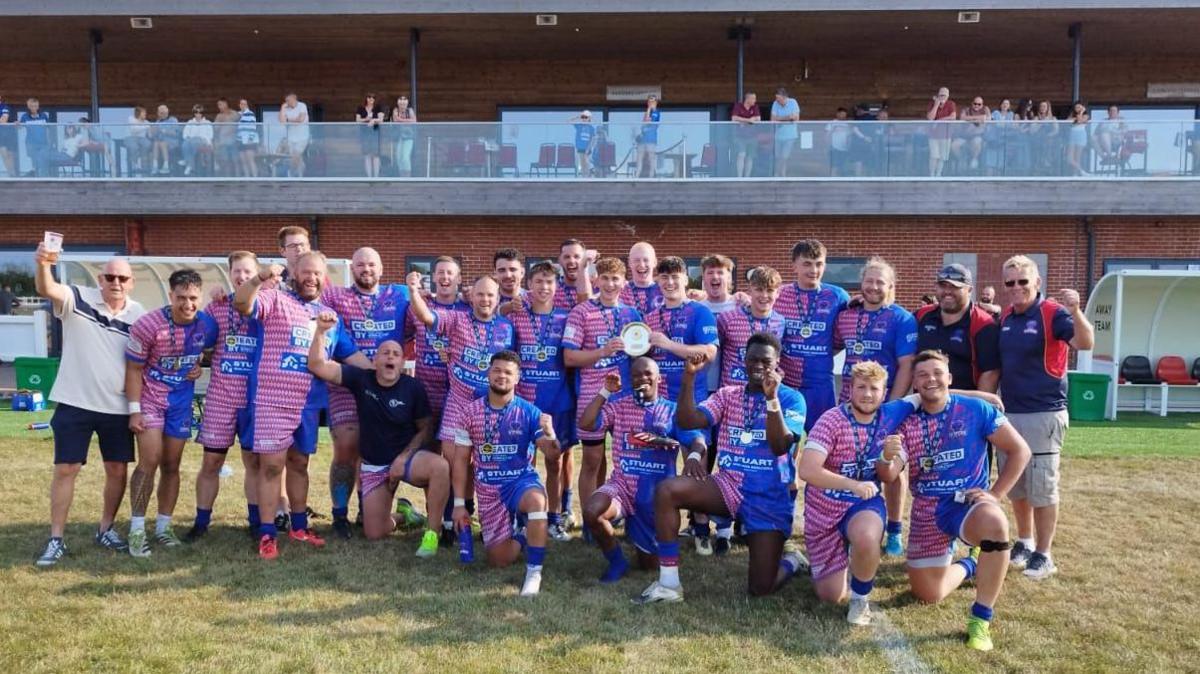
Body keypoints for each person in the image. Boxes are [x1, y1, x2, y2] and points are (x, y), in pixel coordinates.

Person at [637, 336, 807, 603]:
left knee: (761, 588)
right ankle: (669, 584)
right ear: (744, 361)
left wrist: (771, 399)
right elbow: (687, 419)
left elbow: (779, 446)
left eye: (766, 361)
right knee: (668, 490)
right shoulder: (728, 394)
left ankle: (792, 561)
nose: (759, 366)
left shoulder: (792, 399)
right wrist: (690, 378)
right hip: (729, 486)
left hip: (769, 496)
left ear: (777, 364)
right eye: (753, 359)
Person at [234, 251, 371, 560]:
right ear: (294, 273)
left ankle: (299, 526)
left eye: (317, 274)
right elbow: (242, 304)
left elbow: (351, 356)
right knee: (271, 467)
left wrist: (385, 374)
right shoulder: (275, 299)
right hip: (272, 398)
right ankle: (267, 533)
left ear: (325, 278)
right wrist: (259, 278)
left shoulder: (329, 316)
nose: (311, 278)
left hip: (309, 403)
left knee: (299, 464)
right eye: (305, 272)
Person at [897, 350, 1031, 652]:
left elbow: (1020, 450)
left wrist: (995, 495)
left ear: (950, 378)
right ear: (914, 384)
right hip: (927, 509)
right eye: (923, 375)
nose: (931, 378)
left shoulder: (975, 409)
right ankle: (971, 563)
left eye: (938, 373)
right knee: (927, 594)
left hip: (966, 504)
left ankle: (980, 620)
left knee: (996, 523)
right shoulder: (905, 417)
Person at [33, 244, 147, 566]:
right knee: (66, 469)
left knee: (117, 470)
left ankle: (106, 529)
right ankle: (56, 539)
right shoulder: (77, 298)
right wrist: (43, 263)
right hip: (74, 402)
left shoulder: (139, 315)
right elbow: (46, 287)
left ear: (131, 282)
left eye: (122, 278)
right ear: (100, 279)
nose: (116, 283)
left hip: (117, 407)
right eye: (110, 276)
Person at [308, 314, 447, 556]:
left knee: (441, 467)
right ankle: (404, 516)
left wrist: (403, 459)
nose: (391, 356)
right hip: (374, 466)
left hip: (408, 461)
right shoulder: (362, 379)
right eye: (385, 353)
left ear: (403, 361)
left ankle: (432, 533)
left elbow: (426, 428)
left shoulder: (413, 387)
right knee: (374, 533)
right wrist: (320, 331)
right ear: (375, 360)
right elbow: (318, 365)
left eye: (396, 353)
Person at [997, 254, 1093, 580]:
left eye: (1023, 281)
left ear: (1036, 283)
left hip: (1044, 413)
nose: (1016, 288)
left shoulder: (1053, 313)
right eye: (1010, 282)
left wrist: (1077, 311)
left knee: (1043, 488)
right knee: (1019, 487)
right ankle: (1024, 543)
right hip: (1010, 413)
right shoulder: (1006, 317)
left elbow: (1085, 341)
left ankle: (1044, 553)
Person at [798, 361, 910, 625]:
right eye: (861, 387)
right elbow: (807, 470)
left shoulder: (891, 416)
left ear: (884, 393)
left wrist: (985, 398)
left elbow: (932, 393)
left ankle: (861, 599)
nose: (868, 394)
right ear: (849, 389)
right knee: (829, 596)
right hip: (824, 507)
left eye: (874, 388)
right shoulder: (832, 419)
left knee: (867, 536)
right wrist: (853, 485)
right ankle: (796, 560)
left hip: (863, 504)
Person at [580, 358, 707, 582]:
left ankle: (640, 534)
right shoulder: (619, 406)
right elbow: (586, 424)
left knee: (649, 566)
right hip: (622, 486)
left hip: (656, 496)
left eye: (648, 373)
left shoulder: (672, 411)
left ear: (659, 378)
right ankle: (617, 561)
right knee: (592, 511)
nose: (642, 378)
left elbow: (697, 439)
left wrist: (695, 455)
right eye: (637, 375)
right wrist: (605, 391)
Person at [408, 273, 517, 534]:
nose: (485, 299)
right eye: (480, 294)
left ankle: (473, 515)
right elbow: (427, 317)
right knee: (455, 461)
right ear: (471, 297)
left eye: (491, 295)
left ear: (498, 297)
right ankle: (449, 520)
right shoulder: (457, 319)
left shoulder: (506, 326)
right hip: (458, 404)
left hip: (490, 407)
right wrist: (413, 291)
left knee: (484, 463)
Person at [123, 270, 219, 556]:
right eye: (181, 298)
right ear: (170, 296)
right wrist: (134, 410)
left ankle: (164, 527)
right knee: (149, 460)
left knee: (172, 465)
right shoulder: (148, 325)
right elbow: (133, 369)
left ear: (200, 297)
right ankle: (137, 529)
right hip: (151, 400)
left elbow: (212, 350)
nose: (187, 304)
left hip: (181, 403)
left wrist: (201, 363)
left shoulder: (207, 324)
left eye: (193, 298)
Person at [320, 247, 413, 538]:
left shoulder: (399, 296)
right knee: (347, 446)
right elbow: (301, 296)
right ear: (352, 268)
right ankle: (339, 516)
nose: (366, 269)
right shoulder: (334, 296)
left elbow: (430, 316)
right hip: (348, 383)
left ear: (382, 268)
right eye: (360, 265)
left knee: (381, 449)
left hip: (387, 385)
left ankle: (371, 511)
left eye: (372, 264)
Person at [451, 351, 559, 596]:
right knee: (498, 559)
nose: (502, 376)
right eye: (497, 370)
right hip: (489, 490)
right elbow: (460, 461)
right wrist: (459, 504)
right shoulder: (469, 413)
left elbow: (552, 455)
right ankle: (523, 533)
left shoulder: (529, 412)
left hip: (520, 481)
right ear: (488, 373)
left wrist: (550, 433)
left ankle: (534, 572)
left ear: (517, 378)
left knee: (537, 501)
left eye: (508, 372)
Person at [187, 252, 264, 542]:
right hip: (221, 398)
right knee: (211, 463)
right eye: (237, 272)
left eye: (248, 271)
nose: (242, 277)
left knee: (253, 463)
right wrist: (194, 362)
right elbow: (198, 340)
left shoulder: (267, 306)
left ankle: (256, 522)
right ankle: (201, 522)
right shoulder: (217, 307)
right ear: (230, 274)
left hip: (254, 400)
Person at [562, 257, 642, 510]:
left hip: (626, 398)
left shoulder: (631, 314)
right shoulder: (581, 312)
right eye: (605, 278)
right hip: (593, 396)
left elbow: (641, 354)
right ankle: (590, 518)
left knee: (628, 460)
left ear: (624, 283)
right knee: (593, 460)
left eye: (615, 278)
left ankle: (628, 514)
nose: (610, 284)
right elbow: (570, 357)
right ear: (596, 279)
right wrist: (603, 351)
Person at [506, 261, 576, 540]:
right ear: (529, 286)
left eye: (549, 282)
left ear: (556, 286)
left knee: (555, 461)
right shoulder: (516, 318)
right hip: (524, 402)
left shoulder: (567, 317)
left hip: (558, 400)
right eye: (538, 282)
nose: (544, 288)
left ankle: (554, 518)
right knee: (522, 461)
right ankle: (521, 517)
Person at [776, 239, 850, 432]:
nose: (814, 270)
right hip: (786, 382)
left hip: (820, 384)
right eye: (807, 263)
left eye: (819, 264)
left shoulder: (838, 296)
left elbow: (848, 328)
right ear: (794, 266)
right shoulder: (779, 294)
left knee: (824, 439)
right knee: (785, 441)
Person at [834, 257, 916, 405]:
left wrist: (892, 405)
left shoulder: (902, 319)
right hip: (847, 402)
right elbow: (832, 348)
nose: (874, 286)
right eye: (869, 281)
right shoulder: (846, 315)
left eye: (880, 282)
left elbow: (907, 366)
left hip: (882, 402)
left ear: (891, 286)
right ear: (862, 283)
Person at [644, 256, 719, 403]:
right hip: (659, 402)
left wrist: (669, 345)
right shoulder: (649, 318)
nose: (670, 282)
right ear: (658, 281)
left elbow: (710, 353)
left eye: (675, 277)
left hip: (691, 399)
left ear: (685, 280)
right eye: (664, 277)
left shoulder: (700, 312)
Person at [717, 266, 786, 389]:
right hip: (732, 392)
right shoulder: (727, 319)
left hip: (764, 392)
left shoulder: (780, 322)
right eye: (759, 289)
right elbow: (716, 356)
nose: (764, 295)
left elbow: (777, 357)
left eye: (770, 290)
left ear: (778, 293)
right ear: (750, 290)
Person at [619, 241, 663, 314]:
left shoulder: (664, 291)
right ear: (629, 263)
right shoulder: (620, 291)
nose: (642, 265)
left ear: (655, 262)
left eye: (646, 260)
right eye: (637, 260)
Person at [554, 238, 595, 310]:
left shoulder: (597, 288)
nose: (572, 261)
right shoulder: (552, 290)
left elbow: (586, 308)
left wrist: (584, 267)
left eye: (577, 257)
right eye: (567, 257)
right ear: (559, 260)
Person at [952, 97, 989, 173]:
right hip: (964, 136)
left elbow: (987, 118)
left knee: (977, 142)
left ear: (982, 105)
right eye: (975, 103)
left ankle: (974, 159)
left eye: (979, 104)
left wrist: (969, 119)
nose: (977, 106)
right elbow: (962, 117)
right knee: (954, 145)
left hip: (976, 136)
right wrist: (977, 119)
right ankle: (962, 159)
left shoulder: (985, 110)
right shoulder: (966, 110)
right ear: (972, 103)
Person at [925, 87, 957, 177]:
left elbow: (953, 117)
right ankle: (932, 174)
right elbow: (930, 118)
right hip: (933, 135)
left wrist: (938, 121)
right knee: (934, 156)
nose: (942, 97)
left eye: (944, 95)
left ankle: (938, 174)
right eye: (940, 95)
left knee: (942, 157)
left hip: (946, 135)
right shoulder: (932, 104)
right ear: (937, 95)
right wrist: (936, 105)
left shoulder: (951, 104)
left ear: (948, 96)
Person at [771, 87, 801, 177]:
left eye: (779, 99)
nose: (777, 101)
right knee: (777, 157)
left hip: (790, 136)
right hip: (778, 135)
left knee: (784, 157)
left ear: (784, 97)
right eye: (776, 98)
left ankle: (782, 174)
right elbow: (772, 119)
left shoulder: (793, 102)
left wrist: (779, 119)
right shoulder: (775, 104)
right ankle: (776, 174)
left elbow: (796, 118)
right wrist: (788, 118)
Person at [278, 92, 310, 177]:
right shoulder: (286, 108)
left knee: (296, 155)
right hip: (291, 138)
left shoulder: (302, 105)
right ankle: (300, 175)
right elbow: (282, 121)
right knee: (295, 158)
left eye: (289, 100)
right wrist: (282, 107)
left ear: (294, 98)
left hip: (302, 137)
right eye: (286, 101)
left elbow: (301, 119)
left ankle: (291, 173)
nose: (287, 102)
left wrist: (288, 120)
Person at [18, 98, 51, 177]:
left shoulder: (43, 115)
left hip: (43, 143)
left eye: (35, 106)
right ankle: (35, 177)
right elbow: (20, 127)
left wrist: (49, 141)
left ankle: (44, 178)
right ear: (28, 107)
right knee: (34, 160)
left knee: (43, 159)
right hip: (30, 143)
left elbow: (49, 128)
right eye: (32, 106)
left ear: (38, 106)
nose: (34, 108)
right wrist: (17, 123)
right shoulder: (25, 116)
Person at [731, 92, 761, 177]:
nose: (755, 100)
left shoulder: (755, 107)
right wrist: (749, 120)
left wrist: (743, 121)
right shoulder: (738, 106)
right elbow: (734, 118)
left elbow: (758, 118)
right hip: (739, 137)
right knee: (741, 155)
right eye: (753, 98)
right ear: (748, 99)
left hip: (752, 137)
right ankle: (739, 177)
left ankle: (747, 177)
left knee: (750, 157)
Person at [356, 93, 385, 178]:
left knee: (376, 156)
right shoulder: (360, 108)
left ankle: (376, 177)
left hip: (375, 134)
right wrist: (366, 119)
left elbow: (381, 120)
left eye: (373, 97)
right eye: (369, 97)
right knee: (367, 156)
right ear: (366, 98)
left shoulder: (378, 108)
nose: (371, 98)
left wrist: (373, 120)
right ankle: (369, 178)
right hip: (364, 134)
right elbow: (357, 120)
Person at [181, 104, 213, 176]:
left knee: (193, 142)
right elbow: (185, 134)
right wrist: (189, 138)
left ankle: (188, 163)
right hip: (191, 141)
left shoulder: (207, 123)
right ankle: (190, 164)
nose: (198, 114)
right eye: (196, 112)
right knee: (185, 143)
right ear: (194, 113)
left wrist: (202, 139)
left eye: (200, 112)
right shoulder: (190, 122)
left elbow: (210, 135)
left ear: (202, 113)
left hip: (203, 141)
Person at [150, 104, 181, 176]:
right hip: (160, 142)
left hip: (172, 142)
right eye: (160, 113)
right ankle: (155, 166)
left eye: (163, 113)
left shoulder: (173, 120)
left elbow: (176, 133)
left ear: (167, 112)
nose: (162, 114)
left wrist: (165, 131)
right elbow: (154, 136)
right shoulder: (157, 122)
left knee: (162, 143)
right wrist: (153, 132)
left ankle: (166, 166)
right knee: (156, 143)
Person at [390, 95, 417, 177]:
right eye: (400, 99)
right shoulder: (395, 110)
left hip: (409, 137)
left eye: (404, 99)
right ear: (398, 102)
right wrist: (407, 121)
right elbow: (395, 120)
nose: (402, 101)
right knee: (399, 157)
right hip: (398, 137)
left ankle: (407, 177)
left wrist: (401, 120)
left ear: (407, 102)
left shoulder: (410, 110)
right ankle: (402, 177)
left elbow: (414, 121)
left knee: (405, 157)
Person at [635, 95, 660, 178]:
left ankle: (651, 176)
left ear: (655, 103)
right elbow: (643, 125)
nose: (650, 103)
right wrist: (648, 111)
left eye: (652, 101)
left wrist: (649, 110)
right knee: (639, 158)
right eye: (649, 102)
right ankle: (636, 176)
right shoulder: (646, 112)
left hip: (651, 140)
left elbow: (648, 122)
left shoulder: (656, 112)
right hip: (643, 140)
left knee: (651, 158)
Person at [213, 98, 240, 177]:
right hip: (223, 142)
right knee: (225, 161)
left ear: (226, 104)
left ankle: (238, 178)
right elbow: (215, 129)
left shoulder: (234, 113)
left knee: (236, 161)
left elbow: (239, 122)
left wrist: (226, 117)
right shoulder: (218, 116)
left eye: (220, 104)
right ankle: (227, 178)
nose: (219, 107)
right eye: (218, 105)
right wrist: (220, 122)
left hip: (233, 141)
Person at [235, 99, 259, 178]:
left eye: (244, 104)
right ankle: (247, 177)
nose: (243, 105)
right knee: (243, 161)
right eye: (241, 104)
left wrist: (250, 139)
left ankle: (255, 177)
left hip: (249, 140)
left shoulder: (250, 114)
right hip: (240, 140)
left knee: (250, 160)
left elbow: (253, 127)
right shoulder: (238, 114)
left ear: (247, 105)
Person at [1066, 102, 1091, 176]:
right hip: (1072, 136)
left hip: (1081, 136)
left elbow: (1080, 121)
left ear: (1083, 107)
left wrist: (1082, 112)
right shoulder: (1072, 115)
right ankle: (1082, 172)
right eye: (1076, 107)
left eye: (1080, 107)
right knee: (1069, 158)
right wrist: (1077, 118)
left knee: (1077, 157)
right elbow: (1067, 121)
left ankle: (1075, 174)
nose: (1078, 109)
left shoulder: (1086, 115)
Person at [126, 106, 152, 176]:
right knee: (134, 147)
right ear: (138, 113)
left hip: (142, 139)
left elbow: (150, 135)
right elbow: (133, 130)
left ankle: (143, 164)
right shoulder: (131, 118)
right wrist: (146, 127)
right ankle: (134, 164)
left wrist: (151, 130)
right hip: (131, 137)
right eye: (143, 113)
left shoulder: (146, 122)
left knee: (147, 144)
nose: (145, 114)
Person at [569, 110, 597, 176]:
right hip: (580, 148)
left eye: (585, 117)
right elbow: (569, 121)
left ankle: (588, 177)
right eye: (583, 117)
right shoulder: (579, 126)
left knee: (587, 164)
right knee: (582, 164)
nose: (584, 119)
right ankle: (584, 177)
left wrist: (589, 148)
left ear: (589, 118)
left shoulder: (591, 128)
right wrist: (577, 117)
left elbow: (593, 139)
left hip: (587, 148)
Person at [0, 92, 17, 177]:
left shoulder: (4, 107)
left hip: (8, 134)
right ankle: (10, 173)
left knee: (9, 154)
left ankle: (12, 174)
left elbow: (3, 121)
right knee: (3, 153)